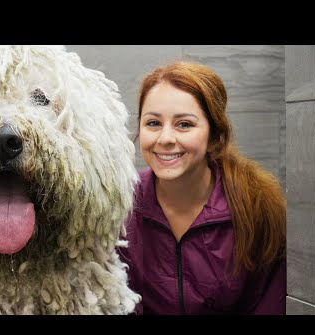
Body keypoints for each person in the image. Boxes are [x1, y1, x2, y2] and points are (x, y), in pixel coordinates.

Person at [119, 60, 286, 315]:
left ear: (214, 136)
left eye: (184, 124)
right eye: (153, 123)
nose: (165, 139)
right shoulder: (117, 205)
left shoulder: (258, 207)